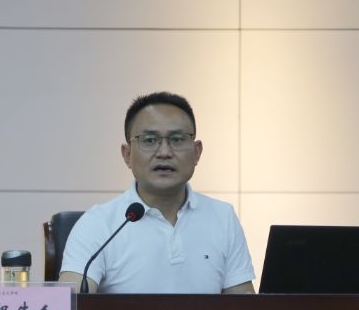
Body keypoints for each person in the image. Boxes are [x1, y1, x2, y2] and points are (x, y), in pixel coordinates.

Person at [58, 92, 255, 294]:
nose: (164, 152)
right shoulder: (99, 224)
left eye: (177, 139)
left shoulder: (222, 217)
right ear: (127, 154)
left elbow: (245, 309)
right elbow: (68, 305)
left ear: (197, 152)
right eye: (150, 140)